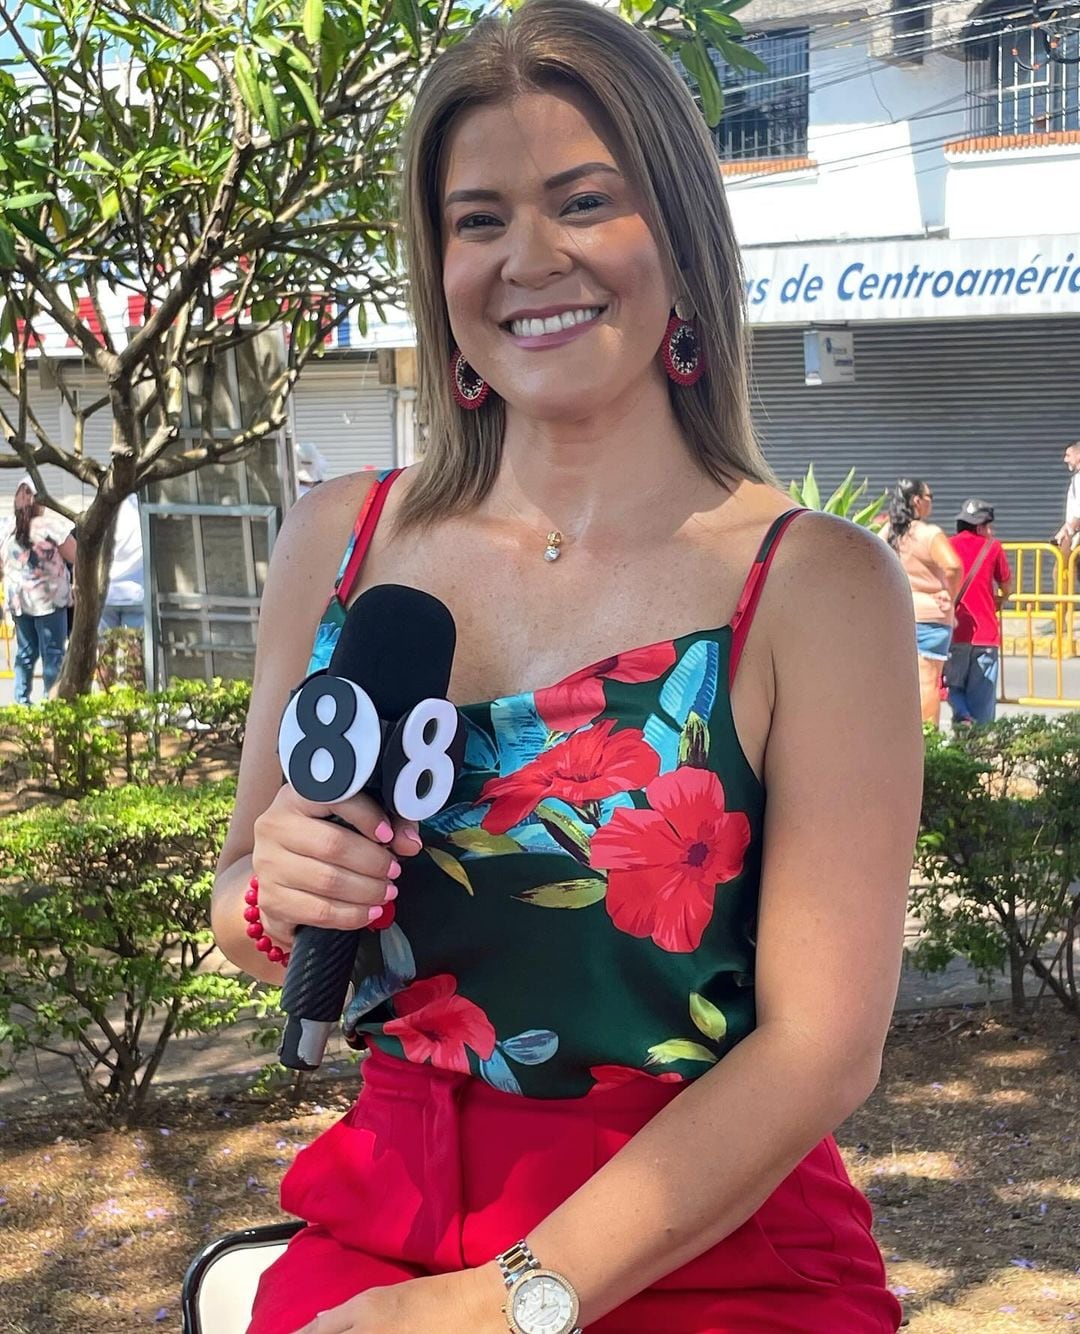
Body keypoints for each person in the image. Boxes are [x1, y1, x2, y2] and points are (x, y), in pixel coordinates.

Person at [211, 3, 921, 1331]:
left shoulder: (817, 587)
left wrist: (505, 1302)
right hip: (381, 1208)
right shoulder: (338, 538)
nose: (529, 257)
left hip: (711, 1250)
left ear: (682, 242)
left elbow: (822, 1048)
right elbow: (247, 893)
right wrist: (276, 895)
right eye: (479, 220)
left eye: (583, 202)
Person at [880, 478, 962, 726]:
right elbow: (953, 565)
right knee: (928, 679)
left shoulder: (887, 533)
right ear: (917, 501)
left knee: (898, 680)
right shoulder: (929, 534)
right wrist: (950, 594)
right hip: (931, 617)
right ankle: (929, 740)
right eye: (930, 497)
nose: (931, 503)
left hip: (898, 614)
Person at [2, 476, 76, 705]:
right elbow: (78, 556)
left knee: (25, 653)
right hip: (51, 601)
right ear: (40, 501)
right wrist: (77, 587)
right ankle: (51, 702)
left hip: (19, 602)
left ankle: (21, 702)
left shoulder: (6, 528)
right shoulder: (53, 526)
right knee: (53, 654)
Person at [946, 499, 1013, 726]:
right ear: (979, 526)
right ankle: (978, 747)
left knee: (954, 688)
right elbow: (1006, 586)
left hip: (956, 632)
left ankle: (963, 717)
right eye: (989, 525)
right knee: (983, 702)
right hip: (986, 635)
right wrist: (997, 602)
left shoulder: (947, 545)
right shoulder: (993, 547)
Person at [99, 492, 145, 633]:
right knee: (134, 649)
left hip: (106, 592)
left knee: (104, 649)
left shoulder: (103, 509)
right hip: (137, 591)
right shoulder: (141, 507)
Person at [1053, 440, 1080, 563]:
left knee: (1061, 572)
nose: (1065, 460)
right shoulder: (1076, 478)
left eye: (1068, 455)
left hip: (1074, 534)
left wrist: (1068, 533)